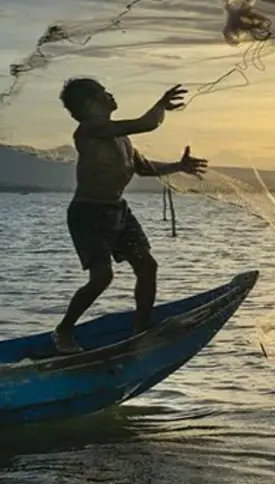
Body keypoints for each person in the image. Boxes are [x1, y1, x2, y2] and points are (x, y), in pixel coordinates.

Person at [51, 77, 208, 354]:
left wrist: (178, 166)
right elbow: (147, 123)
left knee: (147, 267)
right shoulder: (90, 129)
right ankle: (64, 330)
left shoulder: (121, 137)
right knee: (101, 278)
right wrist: (161, 104)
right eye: (103, 93)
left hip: (118, 210)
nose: (110, 95)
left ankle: (141, 329)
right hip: (89, 213)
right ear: (90, 104)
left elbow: (144, 168)